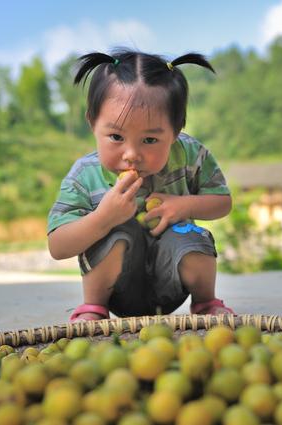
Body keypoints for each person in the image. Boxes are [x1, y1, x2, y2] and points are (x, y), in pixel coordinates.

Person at [47, 49, 235, 322]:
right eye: (115, 136)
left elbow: (223, 201)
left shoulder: (190, 155)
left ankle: (206, 303)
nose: (131, 154)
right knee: (114, 232)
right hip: (116, 294)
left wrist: (183, 205)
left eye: (149, 140)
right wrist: (103, 219)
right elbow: (57, 246)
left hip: (172, 287)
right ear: (92, 123)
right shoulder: (85, 175)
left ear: (176, 130)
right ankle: (93, 309)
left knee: (192, 235)